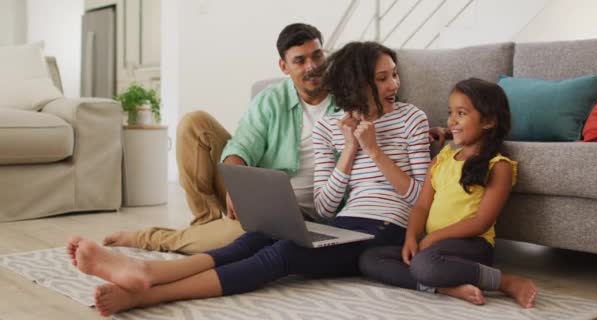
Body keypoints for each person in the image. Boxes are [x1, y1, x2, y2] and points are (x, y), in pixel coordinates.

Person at [66, 41, 431, 316]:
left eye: (394, 75)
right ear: (358, 83)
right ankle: (148, 270)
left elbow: (420, 197)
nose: (393, 84)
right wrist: (350, 151)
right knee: (256, 237)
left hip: (386, 229)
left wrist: (375, 152)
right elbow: (324, 206)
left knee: (283, 255)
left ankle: (150, 292)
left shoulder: (412, 118)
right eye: (382, 78)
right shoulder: (333, 129)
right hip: (343, 224)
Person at [102, 24, 449, 255]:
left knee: (240, 240)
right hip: (267, 199)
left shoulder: (348, 98)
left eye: (317, 56)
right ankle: (207, 224)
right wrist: (235, 183)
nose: (312, 66)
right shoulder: (271, 98)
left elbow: (387, 115)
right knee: (194, 124)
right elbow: (240, 145)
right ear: (284, 66)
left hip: (310, 212)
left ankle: (151, 239)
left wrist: (439, 132)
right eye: (300, 60)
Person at [358, 78, 538, 308]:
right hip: (434, 248)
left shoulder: (498, 166)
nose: (451, 120)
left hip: (472, 246)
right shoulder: (441, 159)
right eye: (450, 112)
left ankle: (505, 282)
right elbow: (422, 206)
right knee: (370, 258)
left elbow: (481, 221)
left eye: (461, 113)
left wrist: (433, 238)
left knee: (425, 264)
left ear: (489, 121)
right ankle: (445, 287)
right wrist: (411, 237)